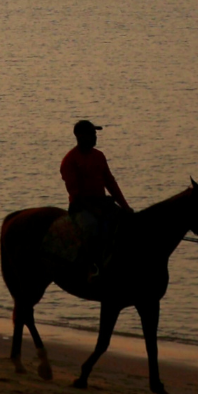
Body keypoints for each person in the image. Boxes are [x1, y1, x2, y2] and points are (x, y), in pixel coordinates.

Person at [60, 119, 130, 278]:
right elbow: (75, 194)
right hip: (81, 207)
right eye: (92, 134)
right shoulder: (70, 160)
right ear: (79, 136)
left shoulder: (99, 156)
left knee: (127, 223)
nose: (95, 137)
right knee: (92, 226)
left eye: (95, 134)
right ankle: (92, 266)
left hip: (102, 203)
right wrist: (94, 211)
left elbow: (110, 182)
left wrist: (125, 206)